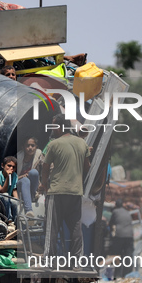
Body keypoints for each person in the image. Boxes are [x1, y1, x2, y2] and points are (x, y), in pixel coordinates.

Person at [39, 113, 90, 264]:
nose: (52, 129)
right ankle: (77, 263)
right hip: (75, 192)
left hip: (57, 192)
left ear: (60, 127)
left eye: (54, 126)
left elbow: (45, 168)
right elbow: (87, 166)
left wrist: (43, 185)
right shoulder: (82, 143)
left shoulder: (54, 144)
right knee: (75, 228)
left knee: (51, 228)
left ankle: (48, 260)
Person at [16, 137, 43, 218]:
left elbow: (48, 167)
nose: (30, 148)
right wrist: (21, 176)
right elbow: (11, 177)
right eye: (28, 146)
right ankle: (29, 211)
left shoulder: (39, 156)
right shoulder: (18, 157)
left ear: (36, 147)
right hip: (20, 185)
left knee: (34, 172)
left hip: (33, 188)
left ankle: (32, 197)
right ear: (23, 147)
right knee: (25, 180)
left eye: (32, 145)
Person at [108, 198, 134, 279]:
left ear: (116, 205)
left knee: (117, 255)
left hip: (120, 236)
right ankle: (126, 274)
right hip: (129, 236)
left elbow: (111, 223)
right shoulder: (127, 212)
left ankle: (117, 274)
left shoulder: (115, 212)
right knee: (128, 255)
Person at [0, 156, 19, 222]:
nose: (11, 168)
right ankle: (9, 220)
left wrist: (18, 201)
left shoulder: (14, 175)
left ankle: (16, 221)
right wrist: (8, 177)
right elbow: (2, 191)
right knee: (5, 195)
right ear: (2, 165)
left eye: (13, 167)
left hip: (9, 198)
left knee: (15, 201)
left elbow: (14, 190)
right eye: (9, 166)